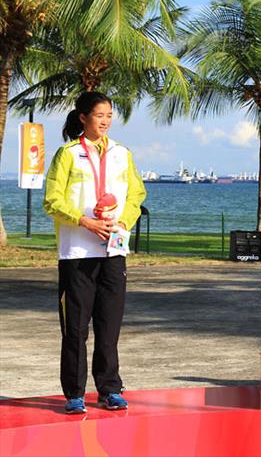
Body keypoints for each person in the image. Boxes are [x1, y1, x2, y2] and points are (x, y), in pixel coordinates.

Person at [44, 92, 146, 413]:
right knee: (75, 327)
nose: (105, 121)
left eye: (110, 115)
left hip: (114, 251)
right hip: (77, 252)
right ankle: (75, 394)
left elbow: (136, 193)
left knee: (109, 326)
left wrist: (123, 221)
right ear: (83, 117)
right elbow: (52, 200)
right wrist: (84, 221)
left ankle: (109, 389)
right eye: (99, 115)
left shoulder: (122, 153)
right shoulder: (68, 154)